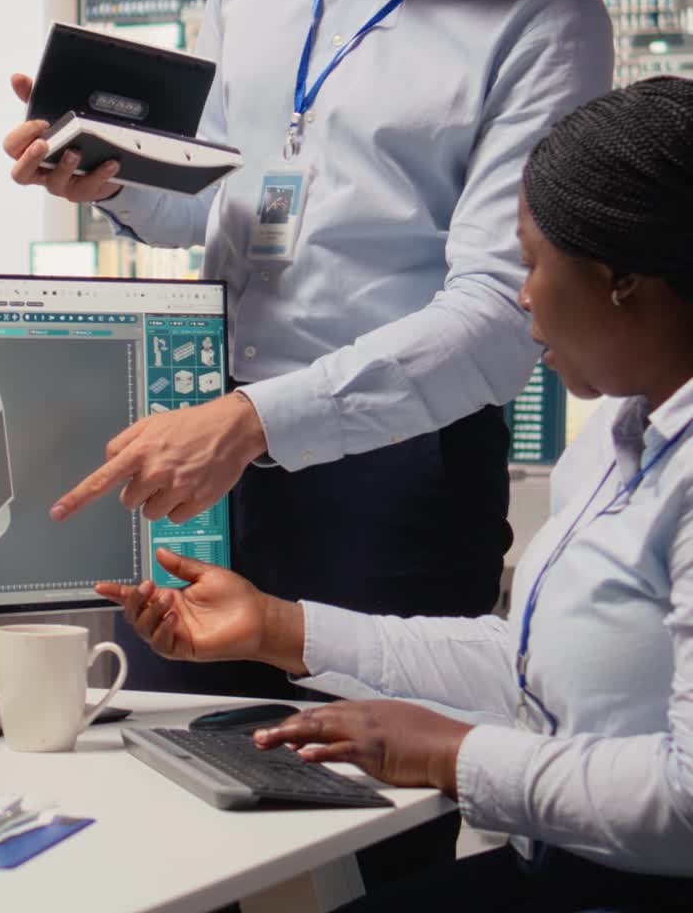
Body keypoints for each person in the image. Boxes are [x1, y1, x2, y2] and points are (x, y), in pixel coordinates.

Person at [4, 0, 613, 695]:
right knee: (173, 774)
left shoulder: (549, 20)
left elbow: (500, 315)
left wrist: (257, 420)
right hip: (205, 445)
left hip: (397, 476)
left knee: (372, 815)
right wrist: (107, 179)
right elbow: (209, 195)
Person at [98, 76, 693, 912]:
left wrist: (452, 755)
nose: (520, 296)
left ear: (619, 277)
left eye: (531, 264)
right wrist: (279, 628)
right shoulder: (611, 443)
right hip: (559, 870)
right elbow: (526, 668)